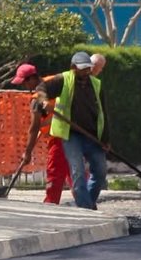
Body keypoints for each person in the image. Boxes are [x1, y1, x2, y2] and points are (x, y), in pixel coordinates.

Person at [33, 50, 109, 210]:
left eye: (88, 68)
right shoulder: (64, 79)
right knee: (78, 173)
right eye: (82, 68)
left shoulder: (96, 84)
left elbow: (103, 113)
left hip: (92, 135)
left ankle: (86, 204)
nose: (86, 71)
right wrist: (44, 101)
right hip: (71, 134)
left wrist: (106, 139)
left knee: (100, 171)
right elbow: (41, 88)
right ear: (73, 67)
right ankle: (86, 208)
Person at [13, 62, 73, 206]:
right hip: (71, 132)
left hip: (58, 135)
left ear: (32, 79)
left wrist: (27, 153)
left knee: (55, 170)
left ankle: (50, 203)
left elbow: (34, 127)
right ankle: (86, 199)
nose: (24, 87)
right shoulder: (52, 82)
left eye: (24, 83)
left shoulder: (38, 97)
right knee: (73, 169)